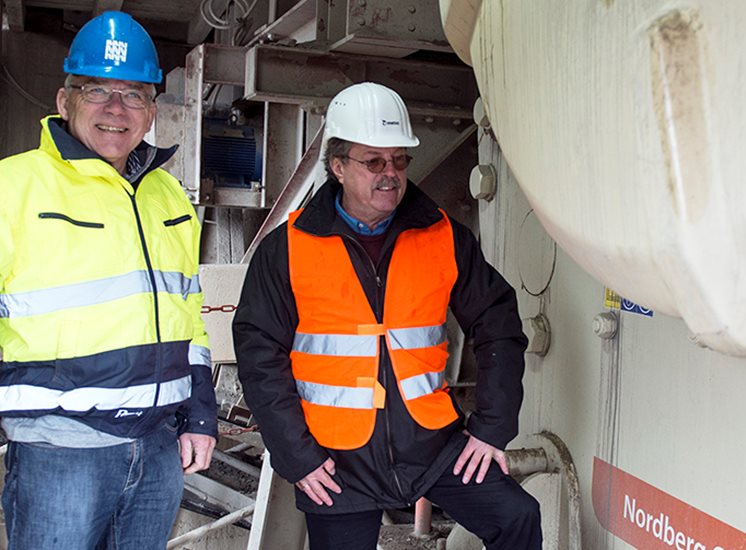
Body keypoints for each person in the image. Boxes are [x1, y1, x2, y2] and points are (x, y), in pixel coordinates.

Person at [233, 81, 542, 549]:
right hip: (336, 460)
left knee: (517, 517)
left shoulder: (442, 236)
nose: (390, 173)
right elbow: (259, 356)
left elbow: (498, 322)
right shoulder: (288, 248)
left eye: (399, 159)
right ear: (337, 166)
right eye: (373, 161)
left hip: (432, 446)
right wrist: (298, 457)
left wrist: (492, 428)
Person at [0, 11, 217, 549]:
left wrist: (201, 415)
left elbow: (188, 315)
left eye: (134, 95)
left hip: (159, 446)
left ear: (151, 113)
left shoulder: (168, 198)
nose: (116, 109)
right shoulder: (14, 188)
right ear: (64, 100)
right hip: (58, 451)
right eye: (97, 90)